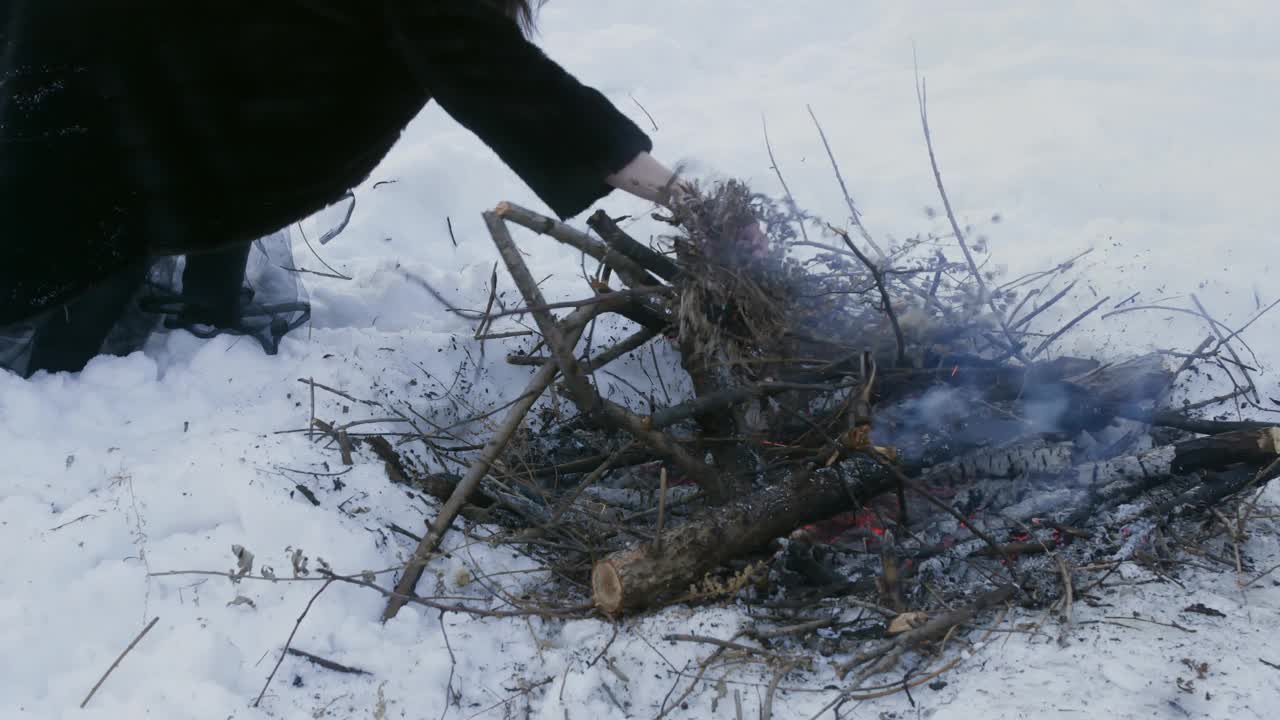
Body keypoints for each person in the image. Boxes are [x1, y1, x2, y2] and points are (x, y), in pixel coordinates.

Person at [0, 0, 686, 377]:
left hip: (196, 78)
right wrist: (677, 194)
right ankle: (53, 376)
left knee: (200, 165)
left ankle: (203, 308)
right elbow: (501, 78)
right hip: (100, 60)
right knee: (93, 219)